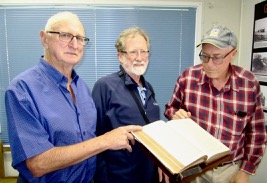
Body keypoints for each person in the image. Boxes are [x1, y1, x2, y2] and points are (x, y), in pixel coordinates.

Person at [5, 12, 142, 183]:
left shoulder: (82, 88)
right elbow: (37, 164)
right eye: (65, 36)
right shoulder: (22, 89)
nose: (75, 44)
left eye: (80, 38)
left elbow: (88, 147)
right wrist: (105, 141)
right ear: (44, 39)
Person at [164, 25, 267, 183]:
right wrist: (175, 114)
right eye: (205, 56)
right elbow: (171, 108)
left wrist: (246, 170)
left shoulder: (248, 83)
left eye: (217, 57)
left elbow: (257, 133)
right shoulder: (187, 78)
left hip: (230, 169)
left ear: (233, 54)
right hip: (193, 167)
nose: (209, 64)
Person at [92, 27, 160, 183]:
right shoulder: (105, 86)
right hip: (118, 176)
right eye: (133, 52)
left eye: (144, 51)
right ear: (120, 56)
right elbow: (94, 137)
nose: (140, 57)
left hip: (149, 174)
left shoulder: (149, 88)